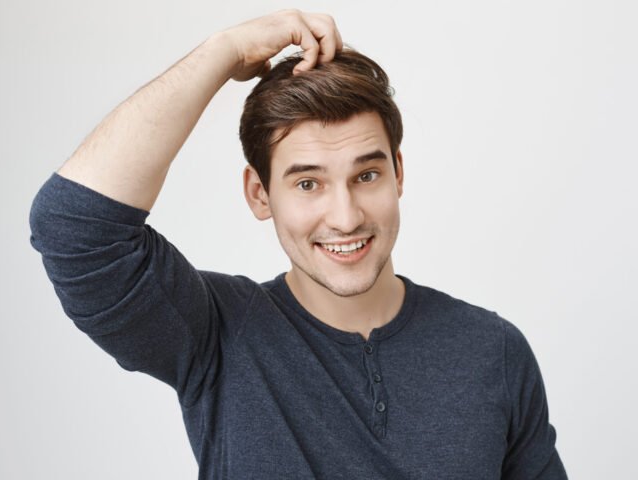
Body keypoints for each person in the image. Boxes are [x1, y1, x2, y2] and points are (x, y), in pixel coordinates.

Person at [29, 9, 567, 479]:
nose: (345, 216)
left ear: (398, 173)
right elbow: (73, 226)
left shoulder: (492, 350)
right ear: (260, 194)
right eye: (308, 183)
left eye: (367, 175)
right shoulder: (214, 333)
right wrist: (227, 50)